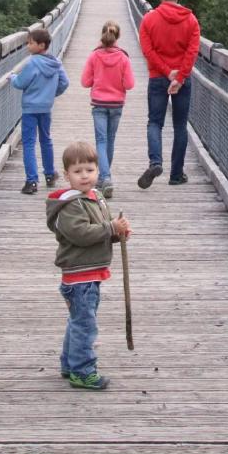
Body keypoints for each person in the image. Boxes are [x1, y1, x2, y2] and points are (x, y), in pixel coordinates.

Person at [46, 141, 132, 390]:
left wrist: (118, 234)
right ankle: (83, 371)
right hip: (78, 276)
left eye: (89, 170)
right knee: (85, 325)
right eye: (77, 171)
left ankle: (70, 364)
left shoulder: (96, 198)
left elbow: (100, 231)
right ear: (66, 175)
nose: (84, 176)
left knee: (79, 321)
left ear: (98, 171)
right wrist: (110, 228)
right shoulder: (70, 205)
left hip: (90, 273)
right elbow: (81, 234)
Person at [137, 0, 201, 189]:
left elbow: (148, 51)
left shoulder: (149, 19)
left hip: (158, 77)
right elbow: (192, 53)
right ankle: (176, 175)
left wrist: (166, 72)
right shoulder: (191, 21)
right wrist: (180, 77)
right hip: (182, 80)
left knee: (155, 122)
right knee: (180, 125)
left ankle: (156, 162)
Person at [9, 28, 69, 195]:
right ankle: (49, 175)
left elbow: (20, 83)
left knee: (29, 143)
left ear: (41, 45)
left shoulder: (32, 63)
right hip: (46, 108)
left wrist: (12, 77)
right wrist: (50, 94)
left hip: (30, 108)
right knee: (46, 139)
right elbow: (64, 83)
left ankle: (31, 181)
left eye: (30, 43)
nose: (28, 45)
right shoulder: (56, 63)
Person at [81, 20, 135, 199]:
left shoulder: (94, 56)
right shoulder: (124, 57)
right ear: (117, 37)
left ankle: (105, 178)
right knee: (110, 140)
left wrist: (98, 79)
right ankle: (105, 177)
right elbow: (129, 84)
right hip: (116, 104)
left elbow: (85, 82)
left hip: (99, 103)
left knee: (101, 141)